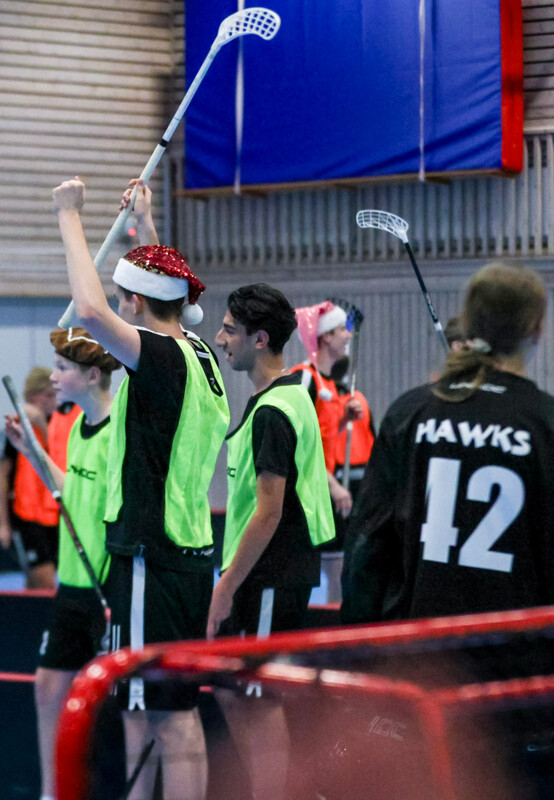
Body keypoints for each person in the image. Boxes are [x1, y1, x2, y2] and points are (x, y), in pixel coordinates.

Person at [53, 175, 229, 800]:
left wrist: (70, 216)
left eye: (123, 295)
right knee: (177, 713)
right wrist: (145, 227)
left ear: (133, 302)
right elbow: (167, 296)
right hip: (188, 553)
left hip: (151, 556)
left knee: (166, 719)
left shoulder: (156, 358)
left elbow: (89, 312)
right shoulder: (200, 355)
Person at [343, 262, 554, 622]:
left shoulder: (409, 414)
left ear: (468, 325)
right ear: (537, 329)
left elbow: (367, 546)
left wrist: (357, 640)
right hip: (515, 650)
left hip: (417, 646)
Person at [209, 285, 335, 800]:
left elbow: (269, 511)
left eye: (229, 330)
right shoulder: (288, 395)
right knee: (231, 689)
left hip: (269, 575)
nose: (220, 340)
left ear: (259, 339)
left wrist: (225, 587)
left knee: (256, 697)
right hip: (264, 574)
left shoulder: (273, 412)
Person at [4, 327, 119, 800]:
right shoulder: (75, 428)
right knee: (48, 687)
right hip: (71, 583)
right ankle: (53, 794)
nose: (53, 377)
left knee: (122, 708)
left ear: (92, 376)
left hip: (109, 588)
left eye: (62, 368)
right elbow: (71, 489)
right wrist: (30, 450)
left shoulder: (121, 432)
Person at [291, 301, 374, 603]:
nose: (348, 335)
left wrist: (342, 421)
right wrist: (333, 485)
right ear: (325, 337)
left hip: (324, 490)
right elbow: (297, 443)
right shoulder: (305, 378)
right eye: (341, 330)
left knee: (340, 575)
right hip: (306, 495)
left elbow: (320, 438)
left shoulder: (330, 385)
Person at [0, 366, 61, 589]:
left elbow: (58, 456)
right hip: (26, 515)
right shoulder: (15, 427)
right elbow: (3, 477)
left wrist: (42, 424)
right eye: (48, 395)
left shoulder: (59, 423)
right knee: (44, 579)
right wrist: (3, 523)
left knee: (35, 581)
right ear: (33, 396)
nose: (54, 401)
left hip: (55, 513)